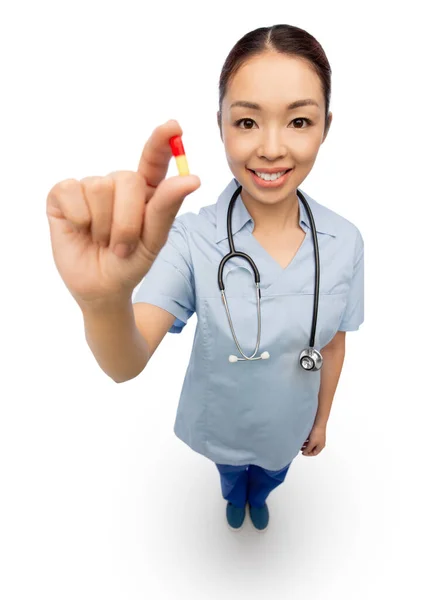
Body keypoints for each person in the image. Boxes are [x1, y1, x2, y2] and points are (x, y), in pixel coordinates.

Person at [46, 24, 364, 534]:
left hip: (289, 423)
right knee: (231, 475)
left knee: (272, 475)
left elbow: (333, 347)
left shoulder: (345, 242)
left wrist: (321, 419)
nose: (271, 148)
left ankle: (261, 494)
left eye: (299, 120)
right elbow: (125, 362)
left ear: (326, 126)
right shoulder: (192, 239)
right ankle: (235, 497)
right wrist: (103, 302)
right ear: (221, 126)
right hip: (222, 421)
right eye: (247, 122)